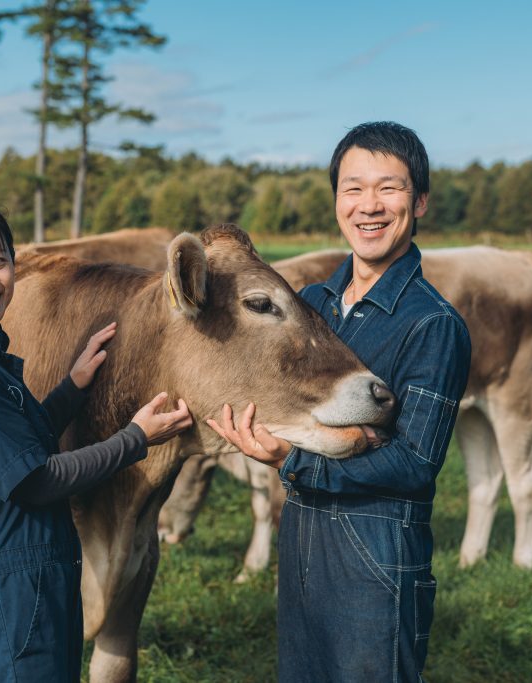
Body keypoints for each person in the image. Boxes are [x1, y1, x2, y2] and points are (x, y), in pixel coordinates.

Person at [208, 122, 471, 681]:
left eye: (389, 188)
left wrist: (290, 457)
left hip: (377, 554)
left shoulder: (433, 324)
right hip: (303, 544)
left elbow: (414, 464)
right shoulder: (311, 303)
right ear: (335, 201)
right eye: (353, 188)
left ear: (419, 200)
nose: (368, 206)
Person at [0, 196, 192, 682]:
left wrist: (72, 387)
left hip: (24, 587)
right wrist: (136, 438)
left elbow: (11, 446)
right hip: (6, 599)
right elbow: (35, 478)